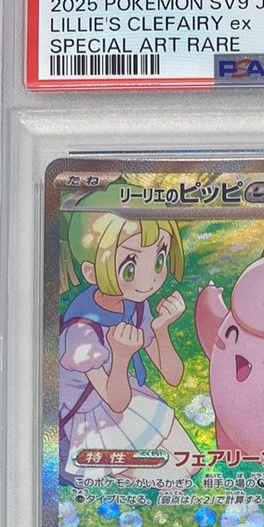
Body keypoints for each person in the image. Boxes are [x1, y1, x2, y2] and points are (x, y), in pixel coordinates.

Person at [58, 181, 198, 486]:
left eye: (159, 260)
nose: (149, 280)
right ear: (91, 273)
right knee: (176, 479)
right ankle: (99, 471)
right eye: (131, 268)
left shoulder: (135, 304)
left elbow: (173, 375)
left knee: (190, 462)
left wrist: (161, 330)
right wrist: (121, 357)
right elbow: (115, 401)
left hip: (127, 396)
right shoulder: (82, 330)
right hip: (93, 416)